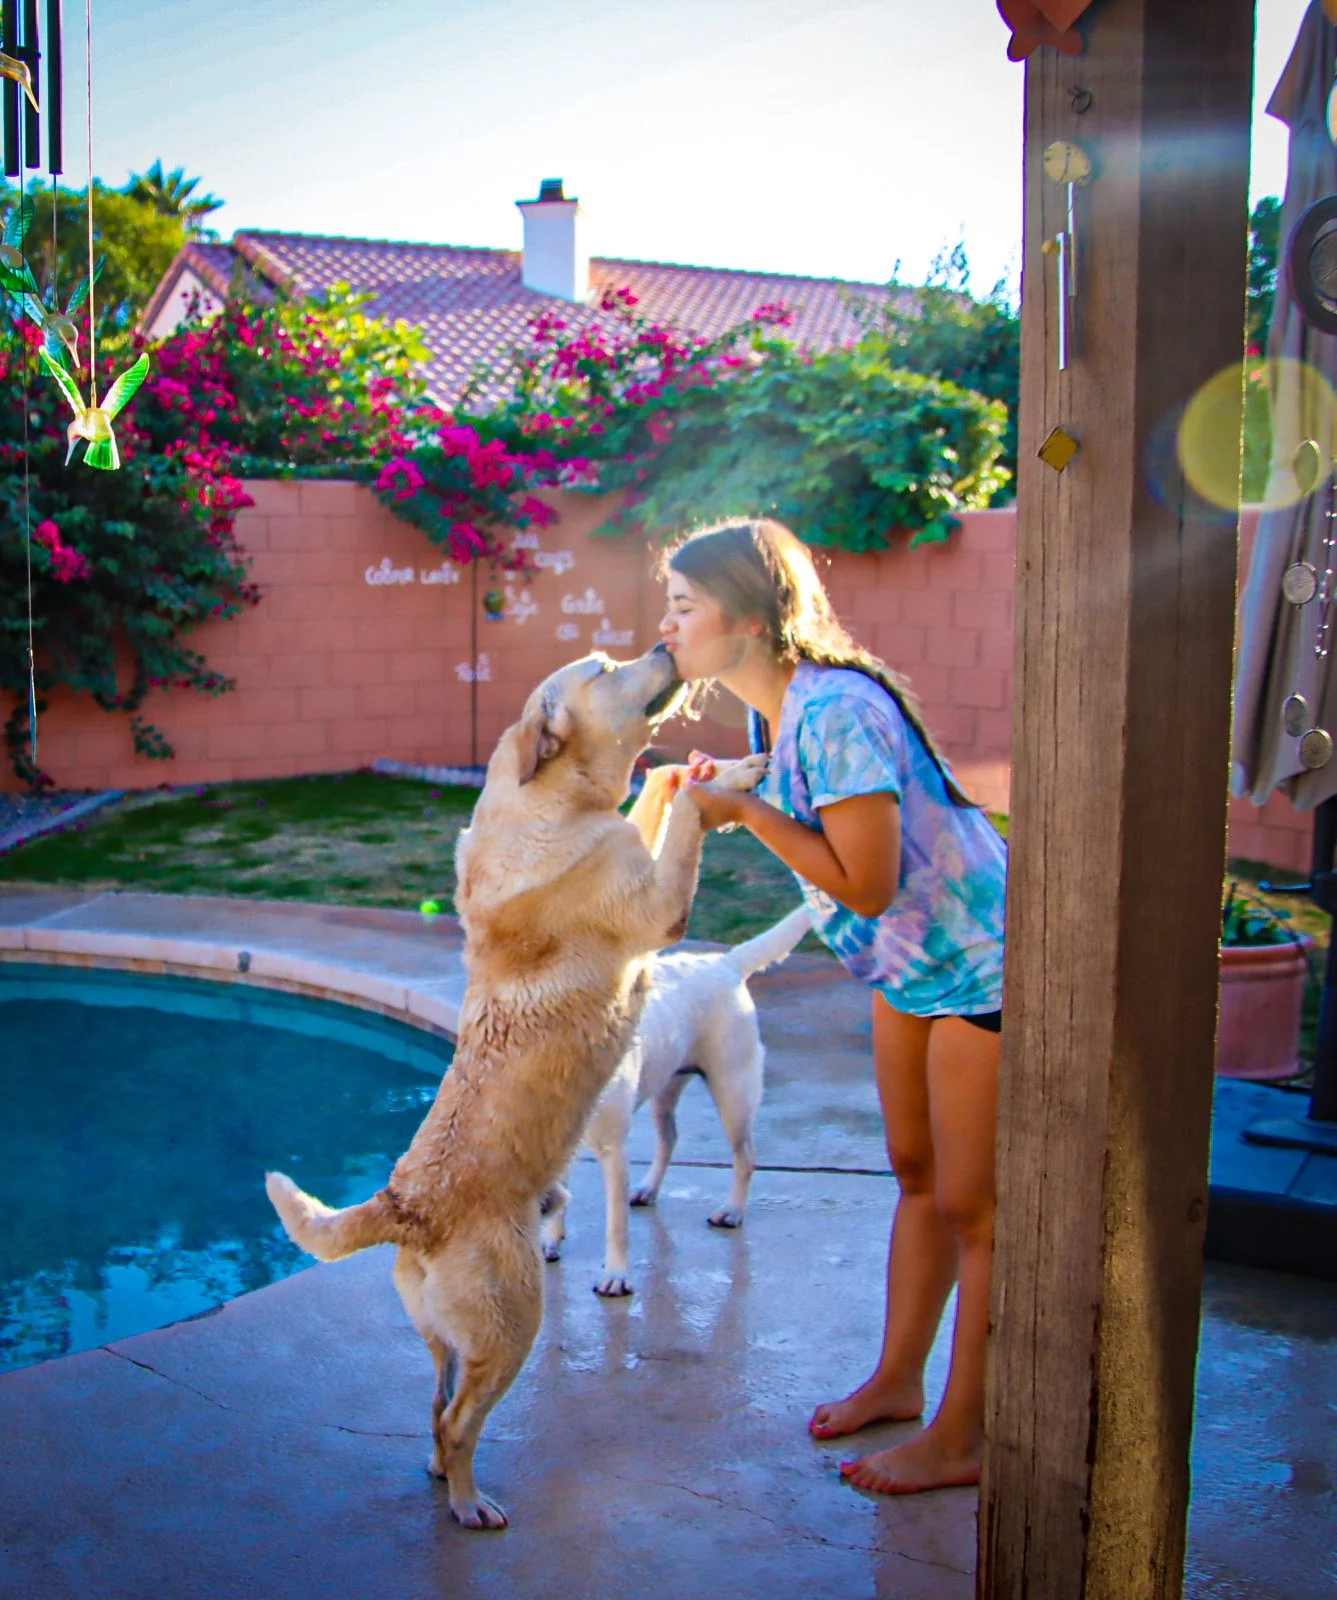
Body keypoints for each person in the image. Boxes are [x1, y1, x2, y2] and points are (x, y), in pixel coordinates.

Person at [657, 517, 1006, 1497]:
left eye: (683, 606)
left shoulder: (835, 707)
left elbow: (863, 880)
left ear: (749, 618)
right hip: (912, 968)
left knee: (977, 1208)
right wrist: (738, 786)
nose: (667, 625)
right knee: (914, 1171)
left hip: (983, 963)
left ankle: (962, 1434)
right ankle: (898, 1382)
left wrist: (748, 815)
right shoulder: (779, 716)